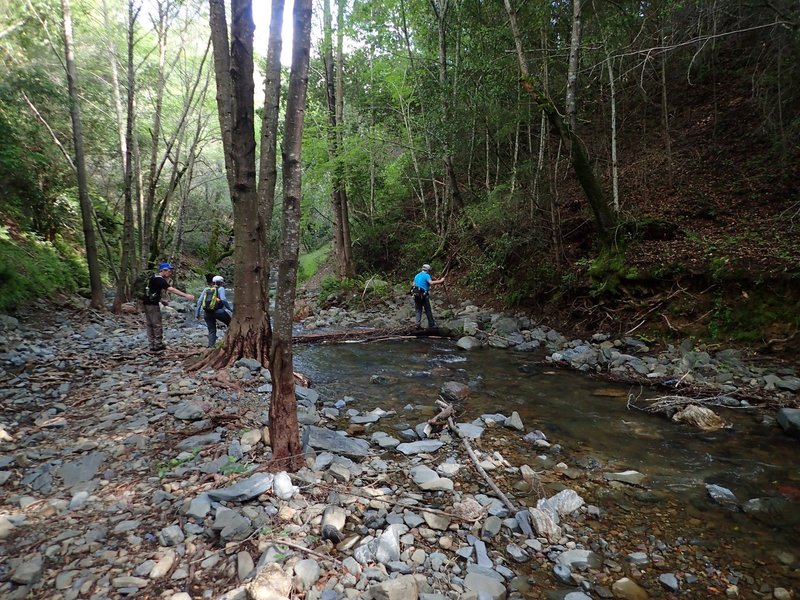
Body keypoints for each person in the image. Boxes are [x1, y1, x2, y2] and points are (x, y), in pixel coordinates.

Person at [142, 262, 195, 352]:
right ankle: (158, 344)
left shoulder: (153, 278)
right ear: (163, 271)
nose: (170, 274)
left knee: (150, 324)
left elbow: (152, 292)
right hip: (152, 305)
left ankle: (152, 344)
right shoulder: (160, 280)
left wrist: (161, 301)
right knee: (157, 324)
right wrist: (185, 295)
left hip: (146, 303)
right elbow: (171, 289)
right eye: (169, 272)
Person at [196, 275, 232, 347]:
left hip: (207, 313)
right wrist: (230, 309)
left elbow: (199, 301)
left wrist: (197, 313)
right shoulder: (221, 289)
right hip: (219, 312)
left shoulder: (206, 289)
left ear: (213, 282)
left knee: (212, 330)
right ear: (221, 282)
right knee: (231, 324)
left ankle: (211, 346)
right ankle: (228, 342)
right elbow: (223, 299)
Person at [411, 263, 445, 329]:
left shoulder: (417, 275)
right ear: (428, 270)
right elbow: (431, 283)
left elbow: (413, 285)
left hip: (416, 295)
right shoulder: (426, 275)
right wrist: (441, 281)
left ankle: (417, 324)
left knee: (418, 310)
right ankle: (432, 324)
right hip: (423, 295)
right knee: (428, 310)